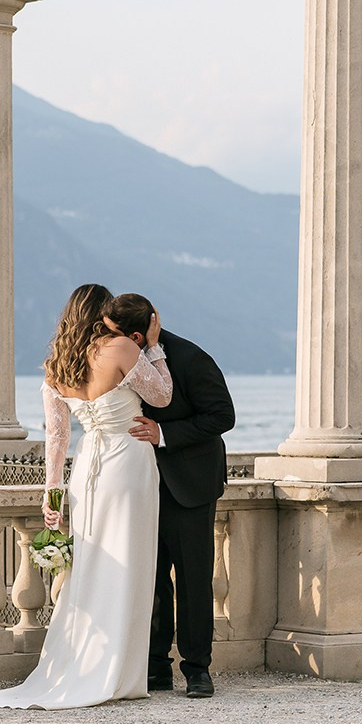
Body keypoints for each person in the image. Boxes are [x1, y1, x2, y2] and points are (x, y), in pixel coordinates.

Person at [0, 283, 173, 709]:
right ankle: (120, 672)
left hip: (87, 467)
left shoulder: (56, 366)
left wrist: (52, 496)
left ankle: (88, 663)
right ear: (102, 315)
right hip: (127, 461)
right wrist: (154, 347)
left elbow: (56, 438)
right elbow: (162, 396)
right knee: (130, 562)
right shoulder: (122, 349)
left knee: (91, 565)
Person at [113, 297, 236, 698]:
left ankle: (198, 670)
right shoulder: (122, 357)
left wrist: (164, 434)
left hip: (191, 484)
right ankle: (155, 667)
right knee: (150, 578)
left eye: (114, 334)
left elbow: (223, 416)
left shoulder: (190, 357)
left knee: (193, 579)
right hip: (141, 483)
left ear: (135, 336)